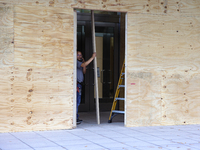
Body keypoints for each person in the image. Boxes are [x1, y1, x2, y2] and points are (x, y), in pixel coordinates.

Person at [77, 51, 96, 124]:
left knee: (78, 101)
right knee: (77, 102)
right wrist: (92, 58)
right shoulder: (76, 62)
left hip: (80, 84)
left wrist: (84, 62)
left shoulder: (80, 63)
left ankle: (77, 117)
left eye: (80, 55)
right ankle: (75, 117)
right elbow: (83, 65)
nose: (79, 56)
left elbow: (84, 71)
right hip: (77, 84)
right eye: (78, 55)